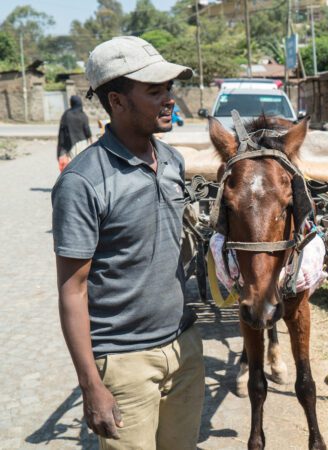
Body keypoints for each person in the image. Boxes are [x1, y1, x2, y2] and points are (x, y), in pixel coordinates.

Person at [52, 36, 204, 450]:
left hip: (185, 348)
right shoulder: (82, 182)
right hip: (124, 363)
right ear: (117, 102)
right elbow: (72, 289)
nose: (169, 99)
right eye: (154, 91)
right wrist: (91, 385)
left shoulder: (172, 162)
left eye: (169, 88)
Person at [56, 95, 92, 171]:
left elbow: (61, 133)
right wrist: (91, 142)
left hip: (70, 145)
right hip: (82, 144)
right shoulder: (83, 115)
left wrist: (60, 151)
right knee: (83, 166)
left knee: (72, 167)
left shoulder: (66, 115)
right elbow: (87, 131)